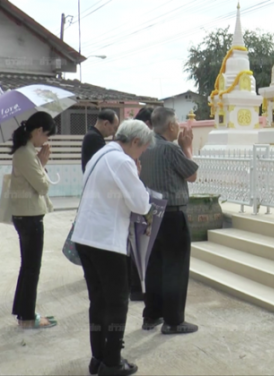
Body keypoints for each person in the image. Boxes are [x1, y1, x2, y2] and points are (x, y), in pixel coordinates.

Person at [71, 120, 154, 376]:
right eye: (143, 150)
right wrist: (137, 175)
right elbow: (141, 204)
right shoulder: (123, 161)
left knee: (98, 301)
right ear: (135, 142)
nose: (141, 156)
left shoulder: (100, 154)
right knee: (118, 303)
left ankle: (98, 359)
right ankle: (113, 362)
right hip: (106, 242)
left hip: (85, 238)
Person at [139, 107, 199, 335]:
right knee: (175, 268)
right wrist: (187, 148)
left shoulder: (145, 146)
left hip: (151, 213)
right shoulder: (171, 149)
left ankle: (152, 315)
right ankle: (174, 321)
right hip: (173, 215)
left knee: (154, 266)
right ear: (172, 126)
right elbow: (192, 174)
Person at [8, 111, 57, 329]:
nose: (45, 141)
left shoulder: (26, 152)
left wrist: (39, 161)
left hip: (26, 216)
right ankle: (27, 318)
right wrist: (43, 162)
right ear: (37, 132)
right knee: (31, 268)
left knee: (27, 266)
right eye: (46, 136)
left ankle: (23, 313)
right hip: (29, 218)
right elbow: (43, 186)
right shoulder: (25, 154)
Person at [127, 106, 153, 301]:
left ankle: (136, 287)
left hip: (135, 200)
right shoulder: (130, 151)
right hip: (136, 202)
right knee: (136, 245)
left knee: (135, 246)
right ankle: (136, 288)